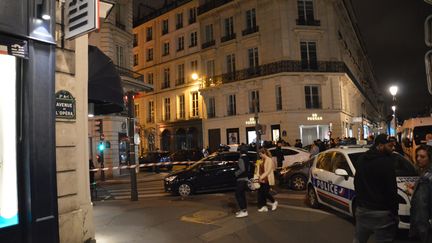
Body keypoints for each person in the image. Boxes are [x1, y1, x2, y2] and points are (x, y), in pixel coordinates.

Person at [353, 134, 399, 243]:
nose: (393, 149)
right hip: (382, 213)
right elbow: (391, 190)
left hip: (363, 210)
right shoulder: (386, 163)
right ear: (380, 145)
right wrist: (394, 212)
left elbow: (357, 182)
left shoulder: (362, 159)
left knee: (359, 240)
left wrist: (360, 201)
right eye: (390, 146)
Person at [410, 145, 432, 243]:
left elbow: (421, 208)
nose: (418, 159)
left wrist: (422, 231)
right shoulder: (426, 173)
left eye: (422, 157)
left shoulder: (426, 179)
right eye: (417, 156)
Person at [257, 148, 277, 212]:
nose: (260, 155)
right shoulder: (261, 160)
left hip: (267, 179)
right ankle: (264, 206)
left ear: (264, 153)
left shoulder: (269, 160)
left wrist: (261, 177)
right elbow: (259, 170)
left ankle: (274, 202)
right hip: (262, 179)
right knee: (261, 193)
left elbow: (268, 171)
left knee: (265, 193)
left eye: (260, 154)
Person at [234, 144, 251, 218]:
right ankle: (243, 209)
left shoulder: (241, 159)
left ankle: (244, 211)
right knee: (242, 195)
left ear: (240, 151)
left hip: (241, 179)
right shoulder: (247, 158)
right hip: (246, 179)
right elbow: (248, 169)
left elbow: (242, 169)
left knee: (238, 194)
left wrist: (235, 173)